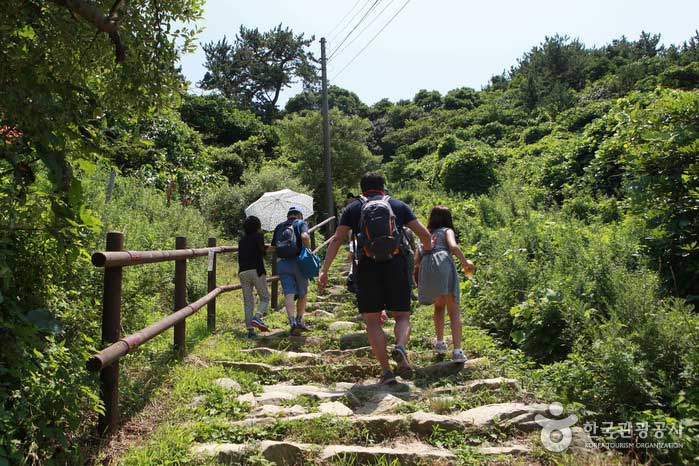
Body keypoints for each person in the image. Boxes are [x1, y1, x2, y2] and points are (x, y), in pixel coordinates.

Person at [319, 172, 433, 385]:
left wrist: (324, 270)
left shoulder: (353, 209)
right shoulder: (398, 206)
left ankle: (386, 372)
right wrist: (424, 259)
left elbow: (337, 239)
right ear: (383, 187)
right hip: (396, 264)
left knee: (372, 321)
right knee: (402, 316)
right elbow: (425, 235)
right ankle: (399, 347)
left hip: (367, 267)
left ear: (362, 190)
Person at [414, 206, 474, 361]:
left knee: (439, 306)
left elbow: (417, 258)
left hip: (427, 267)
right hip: (443, 263)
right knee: (454, 310)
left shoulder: (427, 234)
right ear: (448, 219)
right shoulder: (447, 230)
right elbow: (453, 246)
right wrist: (465, 262)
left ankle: (440, 343)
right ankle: (457, 352)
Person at [272, 206, 312, 336]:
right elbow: (305, 236)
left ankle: (292, 322)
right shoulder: (301, 223)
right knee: (302, 293)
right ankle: (299, 320)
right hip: (299, 262)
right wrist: (307, 249)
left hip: (283, 264)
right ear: (299, 215)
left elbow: (273, 246)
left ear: (288, 215)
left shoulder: (279, 227)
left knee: (289, 293)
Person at [238, 216, 270, 338]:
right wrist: (266, 248)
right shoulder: (258, 236)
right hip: (256, 270)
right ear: (257, 226)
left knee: (248, 302)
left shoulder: (241, 240)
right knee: (265, 298)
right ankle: (257, 317)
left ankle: (250, 331)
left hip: (242, 272)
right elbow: (261, 251)